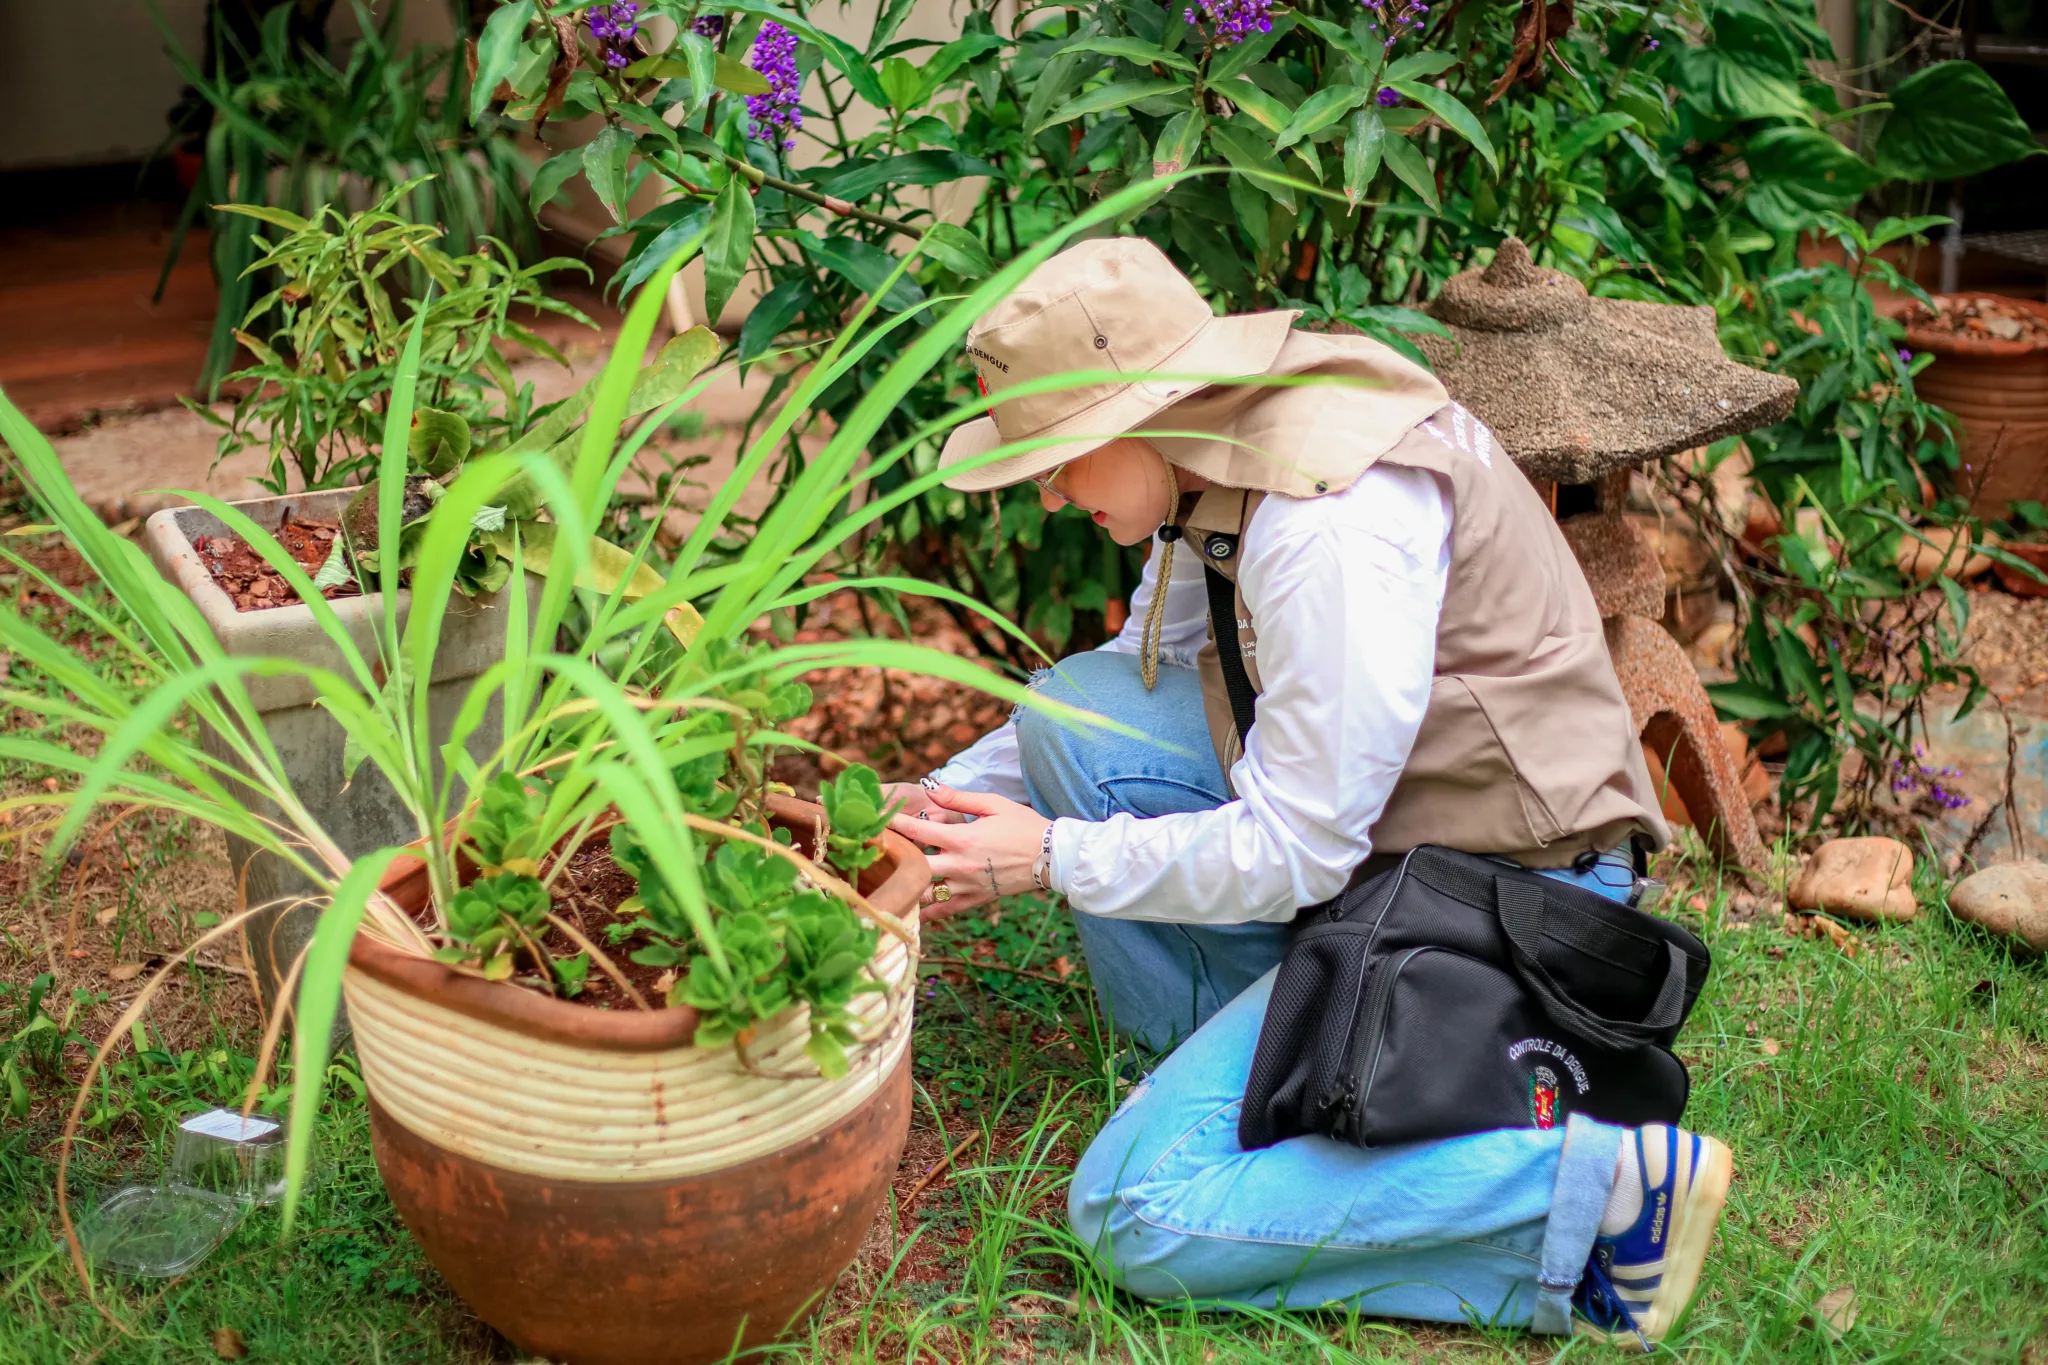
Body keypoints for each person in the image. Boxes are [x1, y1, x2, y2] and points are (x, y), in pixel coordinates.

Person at [881, 237, 1732, 1346]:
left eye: (1057, 461)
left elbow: (1300, 848)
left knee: (1133, 1210)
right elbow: (1136, 681)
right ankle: (1241, 1084)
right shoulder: (1214, 456)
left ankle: (1583, 1189)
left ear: (1142, 413)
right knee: (1070, 715)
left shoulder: (1326, 522)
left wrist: (1048, 857)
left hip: (1514, 895)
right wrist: (934, 804)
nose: (1045, 496)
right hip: (1403, 843)